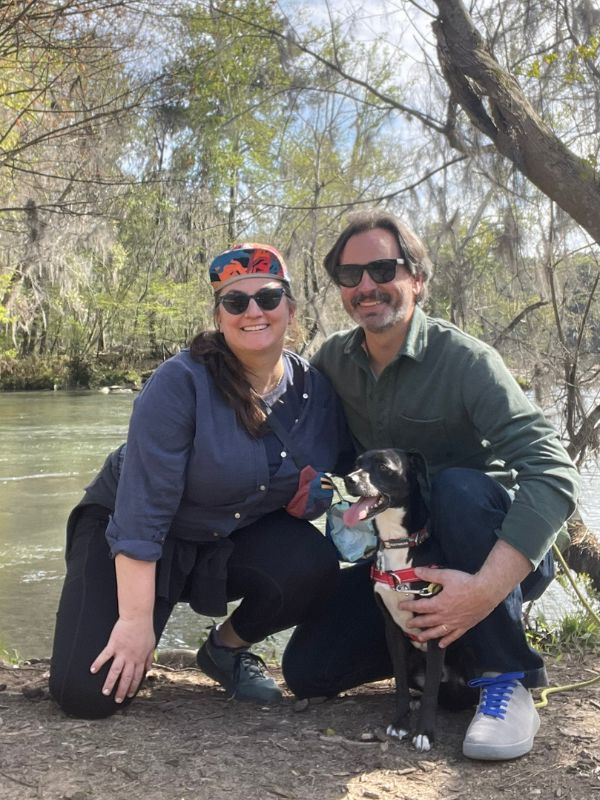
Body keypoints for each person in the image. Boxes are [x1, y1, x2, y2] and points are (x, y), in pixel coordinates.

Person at [281, 210, 580, 761]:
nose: (366, 286)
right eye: (351, 276)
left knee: (456, 490)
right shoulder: (332, 365)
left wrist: (484, 590)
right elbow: (296, 440)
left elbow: (554, 472)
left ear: (417, 278)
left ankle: (503, 677)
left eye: (382, 269)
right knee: (308, 670)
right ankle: (439, 670)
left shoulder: (467, 363)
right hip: (401, 565)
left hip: (488, 554)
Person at [49, 243, 352, 719]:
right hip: (127, 531)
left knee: (311, 562)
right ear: (220, 315)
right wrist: (134, 622)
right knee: (86, 695)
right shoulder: (180, 381)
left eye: (268, 298)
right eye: (236, 302)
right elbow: (142, 509)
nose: (253, 311)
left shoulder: (318, 394)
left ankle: (224, 651)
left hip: (224, 535)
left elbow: (344, 477)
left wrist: (313, 497)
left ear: (291, 310)